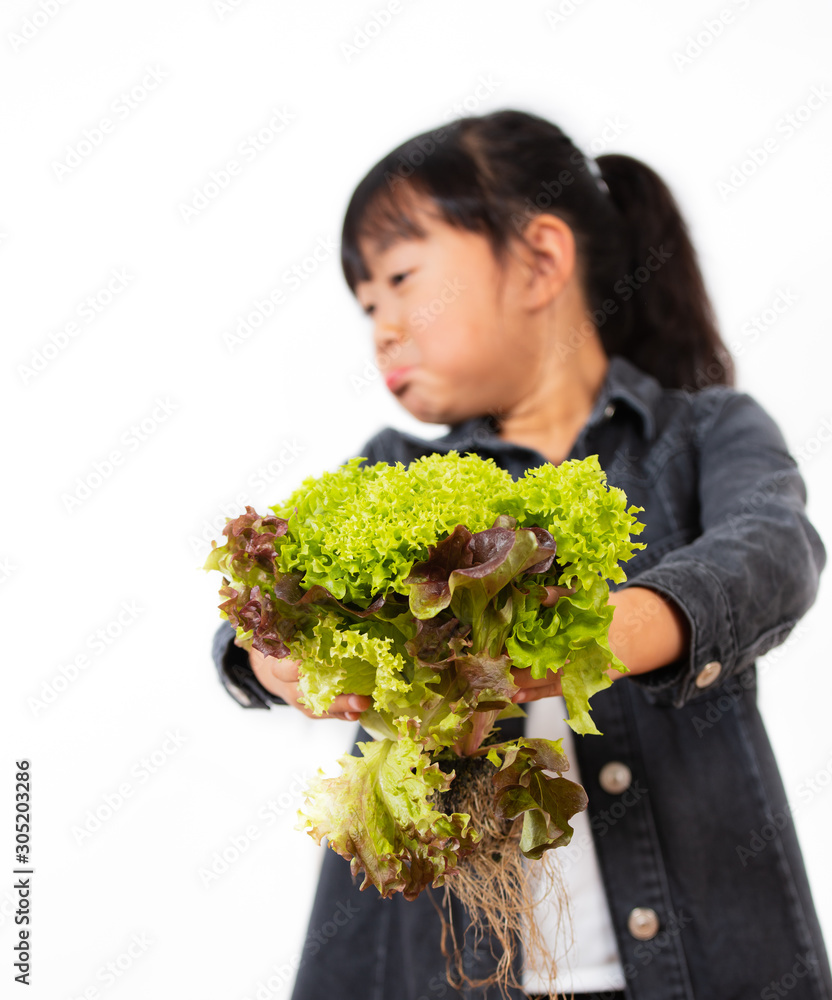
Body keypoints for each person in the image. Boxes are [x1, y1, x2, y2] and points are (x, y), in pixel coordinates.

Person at [211, 108, 831, 1000]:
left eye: (401, 279)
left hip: (697, 962)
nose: (382, 327)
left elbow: (775, 548)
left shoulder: (703, 432)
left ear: (540, 259)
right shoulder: (397, 471)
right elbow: (265, 604)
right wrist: (276, 659)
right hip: (438, 970)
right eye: (367, 306)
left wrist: (604, 632)